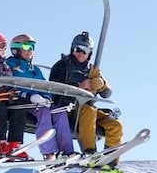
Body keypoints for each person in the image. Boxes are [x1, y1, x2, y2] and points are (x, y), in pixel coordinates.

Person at [49, 31, 125, 160]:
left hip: (87, 112)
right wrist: (79, 88)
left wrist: (101, 85)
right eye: (77, 49)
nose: (80, 53)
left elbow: (107, 94)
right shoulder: (63, 65)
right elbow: (55, 91)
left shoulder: (92, 70)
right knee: (88, 111)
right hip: (68, 110)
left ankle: (111, 161)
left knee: (115, 124)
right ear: (72, 49)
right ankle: (90, 153)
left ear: (90, 53)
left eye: (85, 50)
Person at [6, 34, 73, 157]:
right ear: (16, 49)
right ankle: (49, 153)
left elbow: (45, 87)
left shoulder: (35, 69)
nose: (30, 50)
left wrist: (47, 98)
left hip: (38, 102)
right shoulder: (10, 65)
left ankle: (67, 152)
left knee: (59, 111)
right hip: (21, 102)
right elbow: (8, 87)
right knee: (43, 111)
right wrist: (28, 96)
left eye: (32, 46)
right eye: (26, 46)